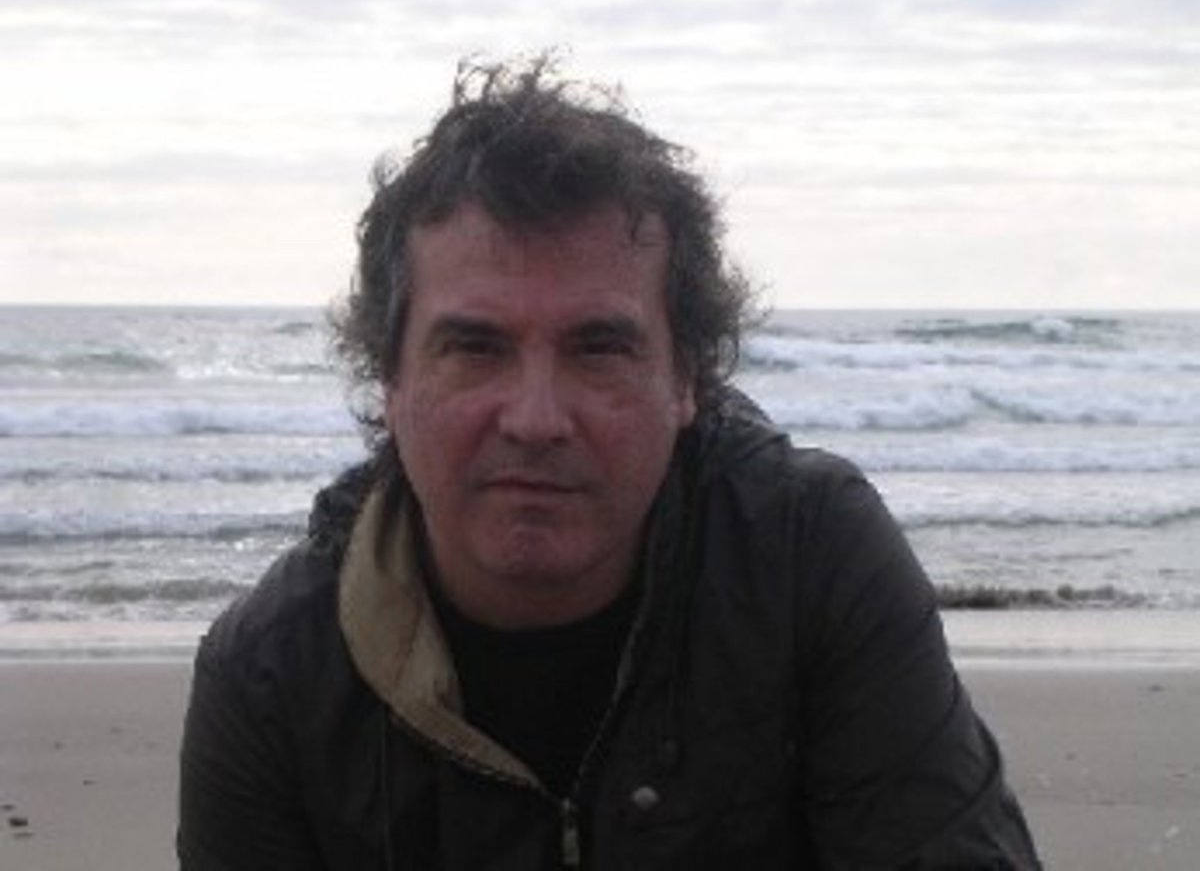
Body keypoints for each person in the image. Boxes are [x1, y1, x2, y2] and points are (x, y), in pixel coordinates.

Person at [177, 57, 1041, 869]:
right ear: (390, 379)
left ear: (686, 380)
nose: (536, 419)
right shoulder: (269, 679)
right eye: (475, 347)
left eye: (598, 349)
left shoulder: (809, 561)